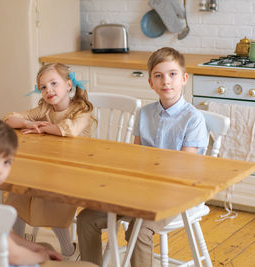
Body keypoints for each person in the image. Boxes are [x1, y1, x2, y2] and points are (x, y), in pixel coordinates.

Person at [77, 47, 209, 267]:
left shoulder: (193, 119)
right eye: (158, 76)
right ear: (151, 83)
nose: (166, 81)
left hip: (177, 195)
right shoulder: (144, 113)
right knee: (86, 219)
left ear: (184, 78)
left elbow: (185, 167)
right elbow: (136, 156)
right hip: (140, 190)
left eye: (172, 74)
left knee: (138, 230)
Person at [0, 116, 96, 267]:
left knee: (45, 247)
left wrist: (33, 247)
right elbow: (14, 256)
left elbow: (0, 233)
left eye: (6, 162)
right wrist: (39, 256)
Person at [3, 63, 96, 261]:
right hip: (49, 167)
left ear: (68, 85)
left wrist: (43, 129)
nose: (49, 90)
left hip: (75, 170)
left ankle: (68, 250)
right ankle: (19, 242)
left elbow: (69, 130)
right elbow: (9, 119)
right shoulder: (45, 108)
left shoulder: (81, 110)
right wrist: (30, 123)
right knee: (17, 190)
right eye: (43, 87)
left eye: (54, 83)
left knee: (50, 197)